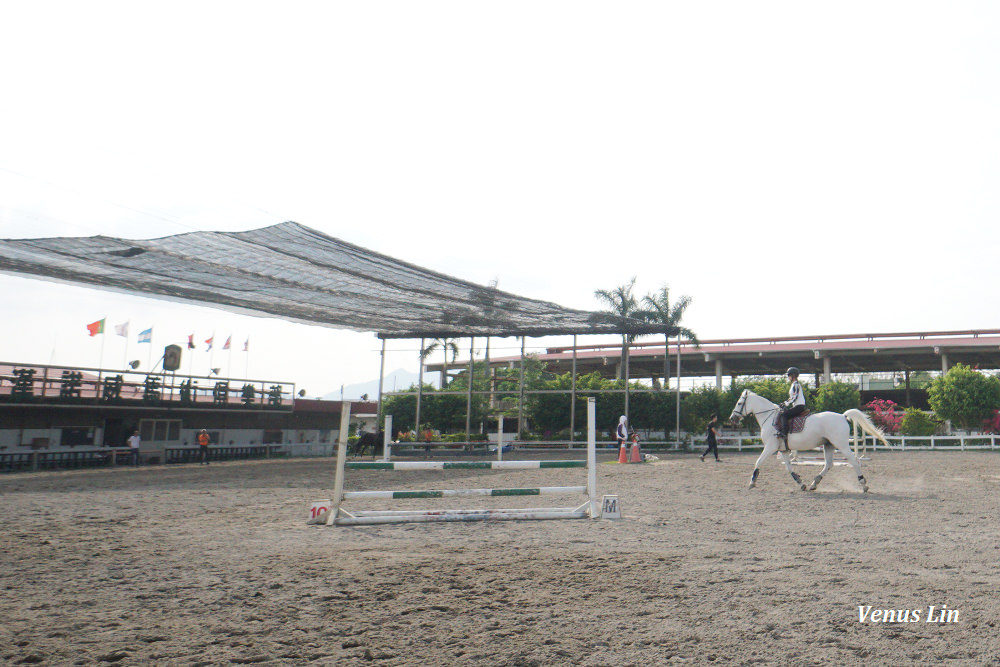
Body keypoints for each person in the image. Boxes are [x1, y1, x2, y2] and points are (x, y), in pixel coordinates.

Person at [776, 367, 807, 440]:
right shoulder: (794, 384)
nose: (788, 377)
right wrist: (785, 403)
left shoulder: (796, 384)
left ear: (793, 375)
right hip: (796, 405)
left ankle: (784, 433)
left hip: (799, 406)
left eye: (789, 375)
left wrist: (785, 403)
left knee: (784, 415)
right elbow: (792, 397)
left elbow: (794, 397)